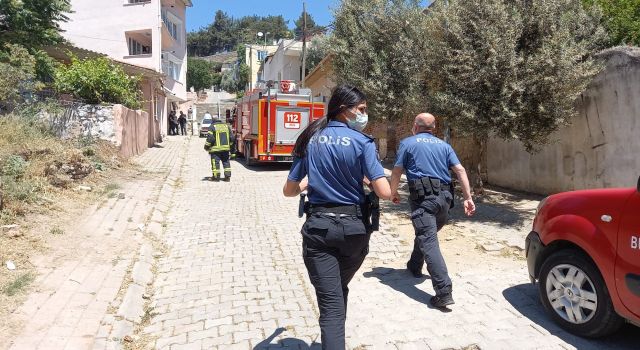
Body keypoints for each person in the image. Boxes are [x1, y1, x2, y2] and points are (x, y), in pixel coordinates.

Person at [283, 85, 391, 350]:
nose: (365, 116)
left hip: (319, 231)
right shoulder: (363, 143)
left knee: (331, 300)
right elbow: (385, 192)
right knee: (336, 291)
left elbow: (288, 191)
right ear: (345, 110)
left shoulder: (311, 139)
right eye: (362, 110)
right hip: (354, 232)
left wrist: (304, 186)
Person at [390, 113, 476, 308]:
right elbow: (460, 170)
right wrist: (468, 198)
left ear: (415, 126)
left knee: (429, 241)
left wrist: (392, 193)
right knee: (426, 234)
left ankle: (444, 291)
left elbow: (396, 171)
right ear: (434, 127)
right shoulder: (444, 145)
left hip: (423, 201)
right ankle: (414, 265)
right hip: (445, 200)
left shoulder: (408, 143)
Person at [204, 115, 234, 181]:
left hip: (215, 150)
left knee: (215, 163)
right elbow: (232, 138)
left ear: (213, 120)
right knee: (226, 162)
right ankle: (227, 177)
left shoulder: (212, 127)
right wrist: (232, 150)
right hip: (225, 149)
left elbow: (210, 138)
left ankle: (216, 177)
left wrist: (206, 147)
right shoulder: (226, 126)